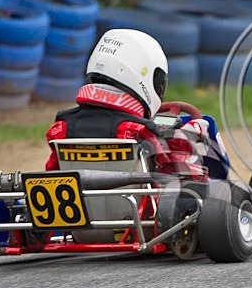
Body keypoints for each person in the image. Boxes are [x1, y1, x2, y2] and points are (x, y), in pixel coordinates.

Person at [44, 28, 212, 178]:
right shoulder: (139, 131)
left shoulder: (62, 126)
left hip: (76, 211)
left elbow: (53, 172)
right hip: (136, 209)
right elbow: (170, 166)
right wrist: (195, 131)